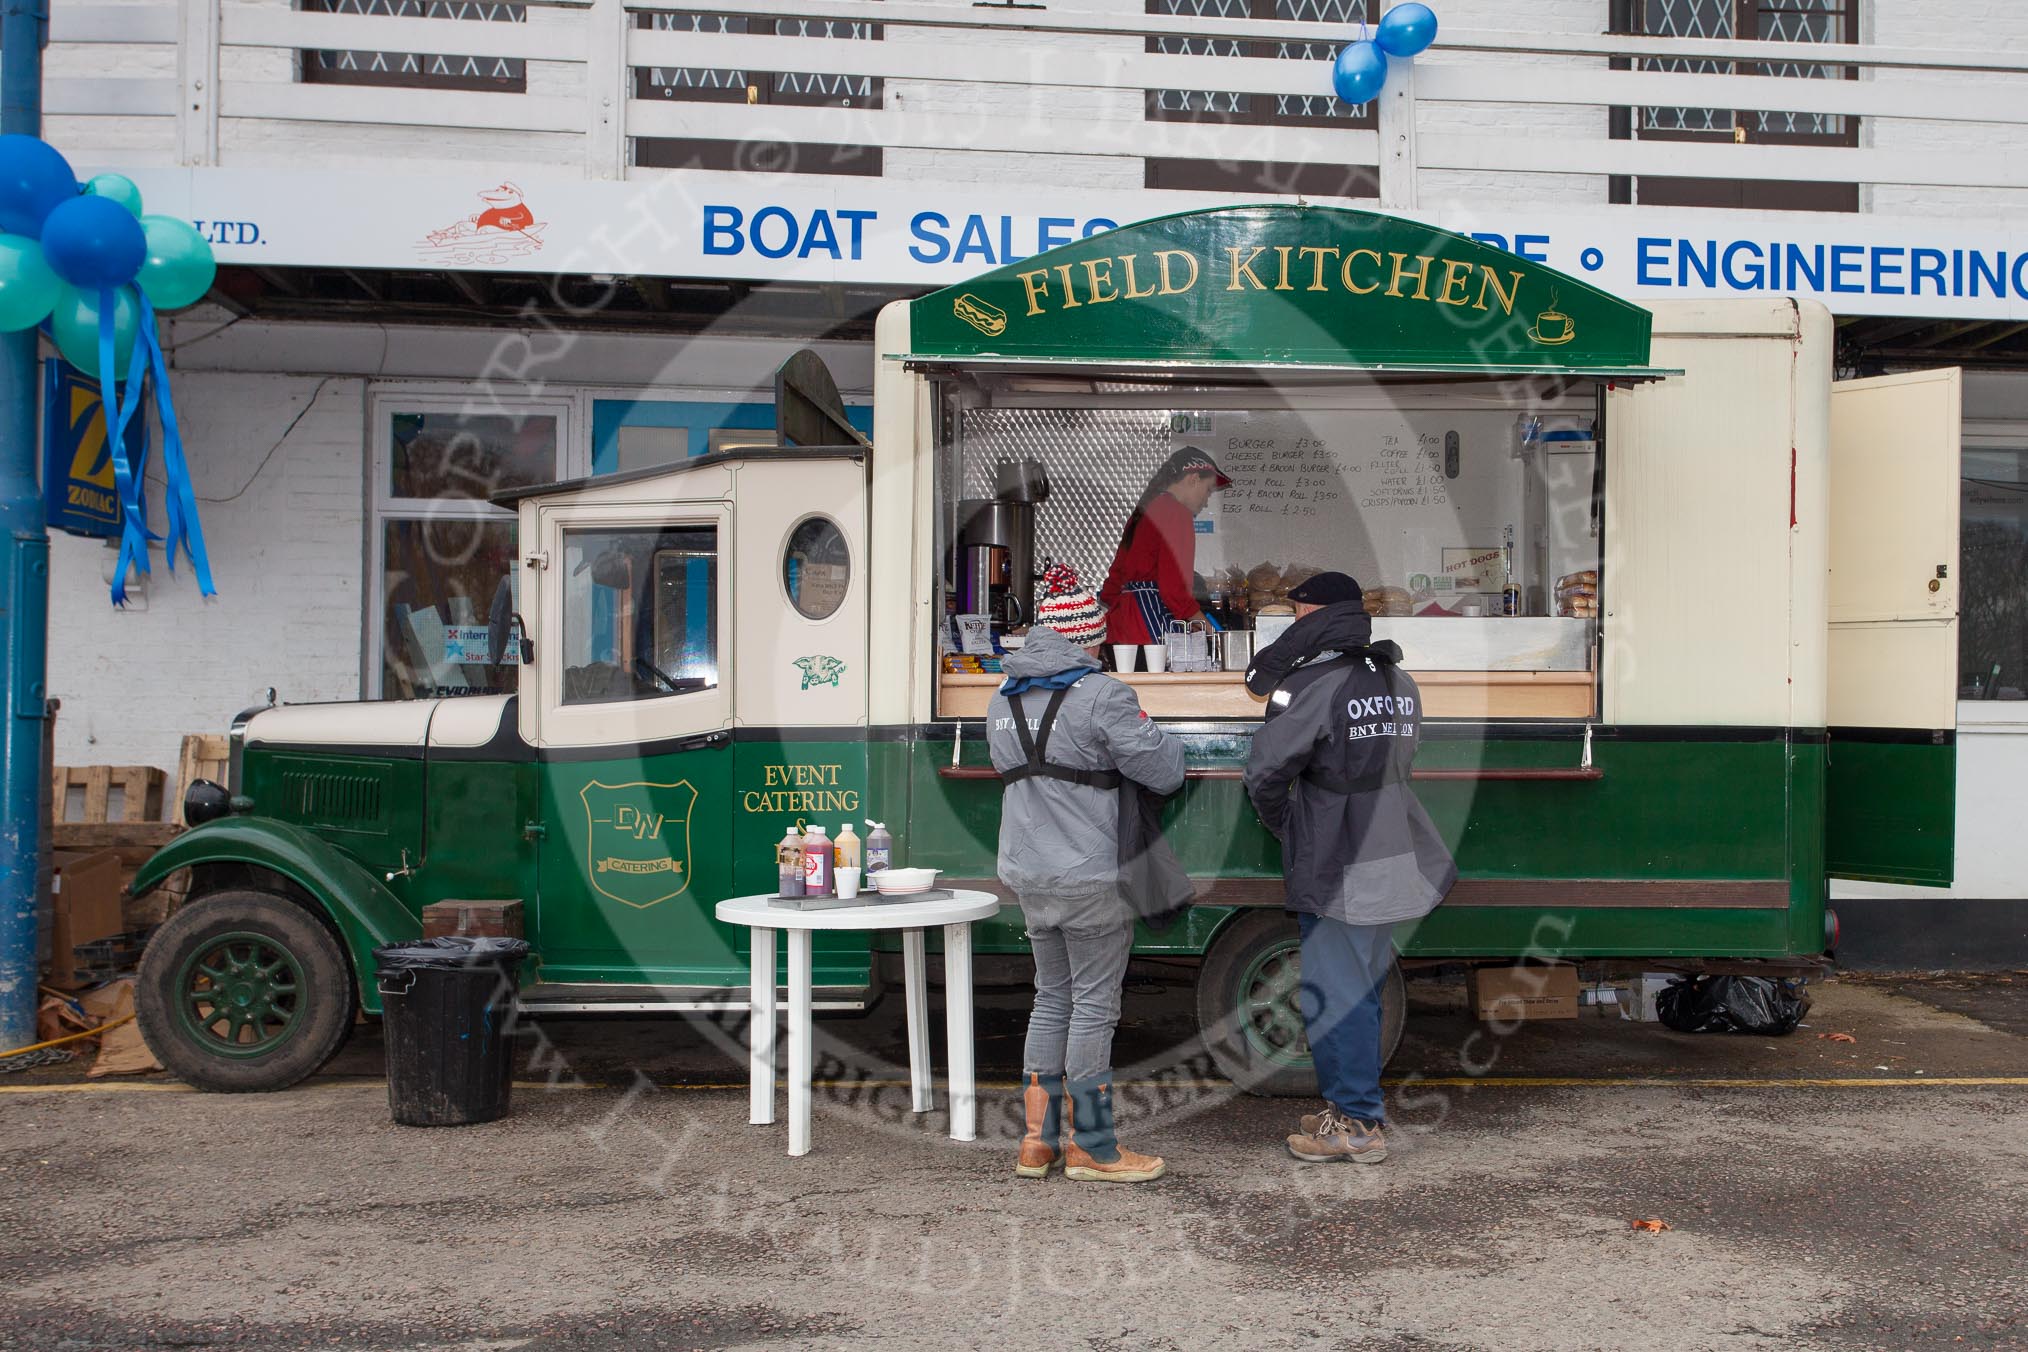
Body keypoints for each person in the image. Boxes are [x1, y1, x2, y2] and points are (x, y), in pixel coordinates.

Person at [1242, 571, 1457, 1164]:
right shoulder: (1399, 679)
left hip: (1338, 855)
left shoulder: (1313, 682)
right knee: (1357, 987)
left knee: (1338, 993)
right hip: (1393, 847)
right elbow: (1402, 758)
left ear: (1311, 614)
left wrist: (1286, 821)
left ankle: (1359, 1125)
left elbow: (1265, 770)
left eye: (1295, 611)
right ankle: (1345, 1109)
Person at [988, 564, 1185, 1183]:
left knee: (1052, 999)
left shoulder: (1003, 696)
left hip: (1028, 872)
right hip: (1091, 873)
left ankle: (1036, 1142)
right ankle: (1094, 1147)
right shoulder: (1104, 695)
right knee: (1095, 1006)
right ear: (1089, 638)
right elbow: (1163, 772)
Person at [1098, 446, 1232, 649]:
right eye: (1208, 490)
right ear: (1193, 479)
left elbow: (1115, 579)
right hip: (1149, 627)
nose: (1206, 501)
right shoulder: (1177, 513)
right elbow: (1174, 588)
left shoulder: (1144, 511)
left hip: (1122, 627)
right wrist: (1212, 633)